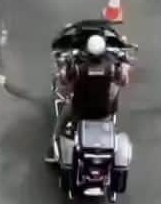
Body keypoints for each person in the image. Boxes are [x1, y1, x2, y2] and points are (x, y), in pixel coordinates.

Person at [47, 30, 127, 162]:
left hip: (80, 111)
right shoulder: (111, 67)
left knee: (61, 120)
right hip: (104, 112)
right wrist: (122, 65)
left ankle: (53, 146)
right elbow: (123, 81)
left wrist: (65, 67)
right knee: (115, 90)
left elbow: (63, 80)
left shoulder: (79, 68)